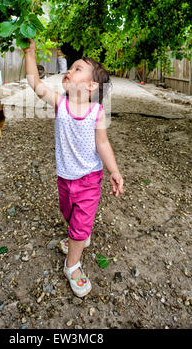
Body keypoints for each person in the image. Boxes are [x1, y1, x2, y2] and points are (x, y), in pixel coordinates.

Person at [23, 39, 124, 298]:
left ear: (91, 86)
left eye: (77, 68)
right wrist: (30, 53)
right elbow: (35, 83)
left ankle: (73, 266)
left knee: (80, 224)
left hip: (89, 178)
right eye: (71, 67)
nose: (70, 70)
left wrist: (113, 170)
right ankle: (78, 235)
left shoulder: (97, 112)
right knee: (67, 212)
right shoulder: (61, 103)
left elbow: (102, 143)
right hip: (65, 177)